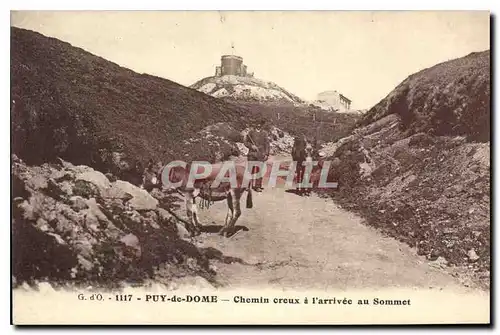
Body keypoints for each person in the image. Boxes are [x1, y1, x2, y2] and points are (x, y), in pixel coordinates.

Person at [244, 119, 270, 192]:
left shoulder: (264, 133)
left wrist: (266, 154)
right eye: (257, 124)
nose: (258, 125)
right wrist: (251, 146)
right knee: (250, 170)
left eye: (260, 124)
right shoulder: (251, 132)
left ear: (262, 125)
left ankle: (258, 186)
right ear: (255, 124)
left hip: (261, 154)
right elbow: (246, 142)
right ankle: (248, 185)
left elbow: (267, 144)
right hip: (252, 154)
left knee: (259, 171)